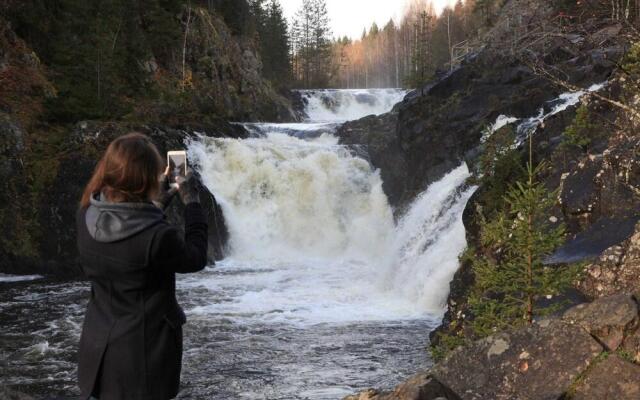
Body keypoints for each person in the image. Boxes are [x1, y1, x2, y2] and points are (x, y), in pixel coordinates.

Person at [76, 132, 209, 400]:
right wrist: (192, 202)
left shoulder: (86, 217)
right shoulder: (159, 237)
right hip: (144, 360)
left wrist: (157, 204)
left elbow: (127, 227)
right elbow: (195, 257)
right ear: (148, 178)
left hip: (99, 352)